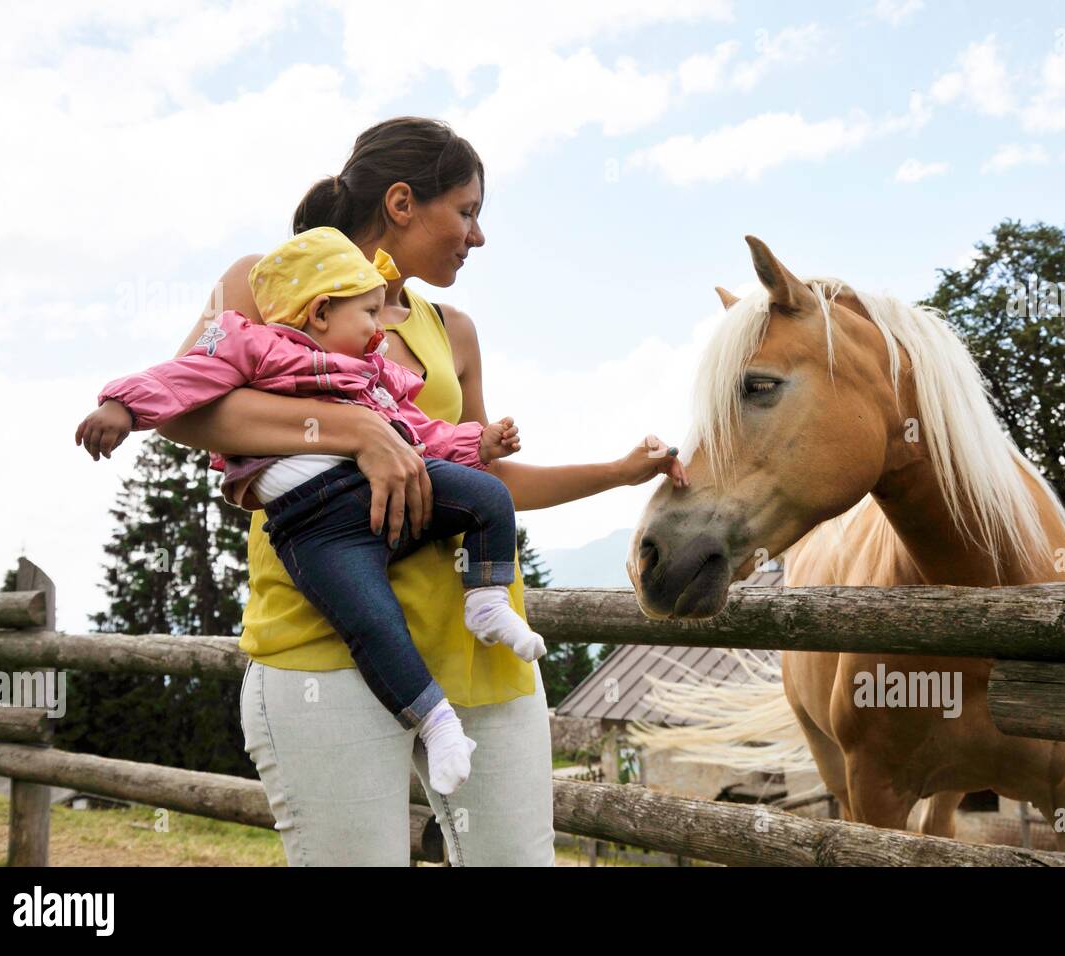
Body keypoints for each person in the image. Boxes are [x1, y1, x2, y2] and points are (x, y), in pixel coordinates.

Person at [154, 116, 689, 866]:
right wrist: (354, 433)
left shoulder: (455, 329)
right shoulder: (267, 280)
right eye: (466, 211)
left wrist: (617, 471)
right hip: (325, 645)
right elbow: (180, 409)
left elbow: (484, 481)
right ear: (402, 203)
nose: (477, 237)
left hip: (476, 648)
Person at [76, 226, 550, 796]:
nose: (381, 330)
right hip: (316, 525)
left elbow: (418, 432)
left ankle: (487, 598)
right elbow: (183, 377)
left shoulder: (373, 378)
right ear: (321, 311)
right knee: (373, 624)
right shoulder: (251, 345)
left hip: (390, 501)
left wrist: (477, 444)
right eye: (370, 314)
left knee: (489, 497)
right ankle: (436, 723)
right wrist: (120, 407)